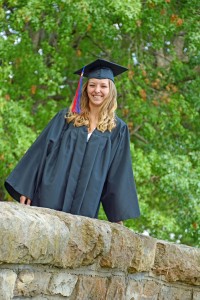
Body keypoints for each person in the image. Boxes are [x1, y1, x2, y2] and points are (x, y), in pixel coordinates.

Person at [4, 59, 140, 223]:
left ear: (111, 90)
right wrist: (26, 188)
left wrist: (118, 214)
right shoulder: (67, 118)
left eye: (103, 86)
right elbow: (41, 150)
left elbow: (118, 172)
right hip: (50, 194)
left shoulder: (117, 130)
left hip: (85, 204)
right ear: (85, 88)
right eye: (92, 85)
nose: (97, 90)